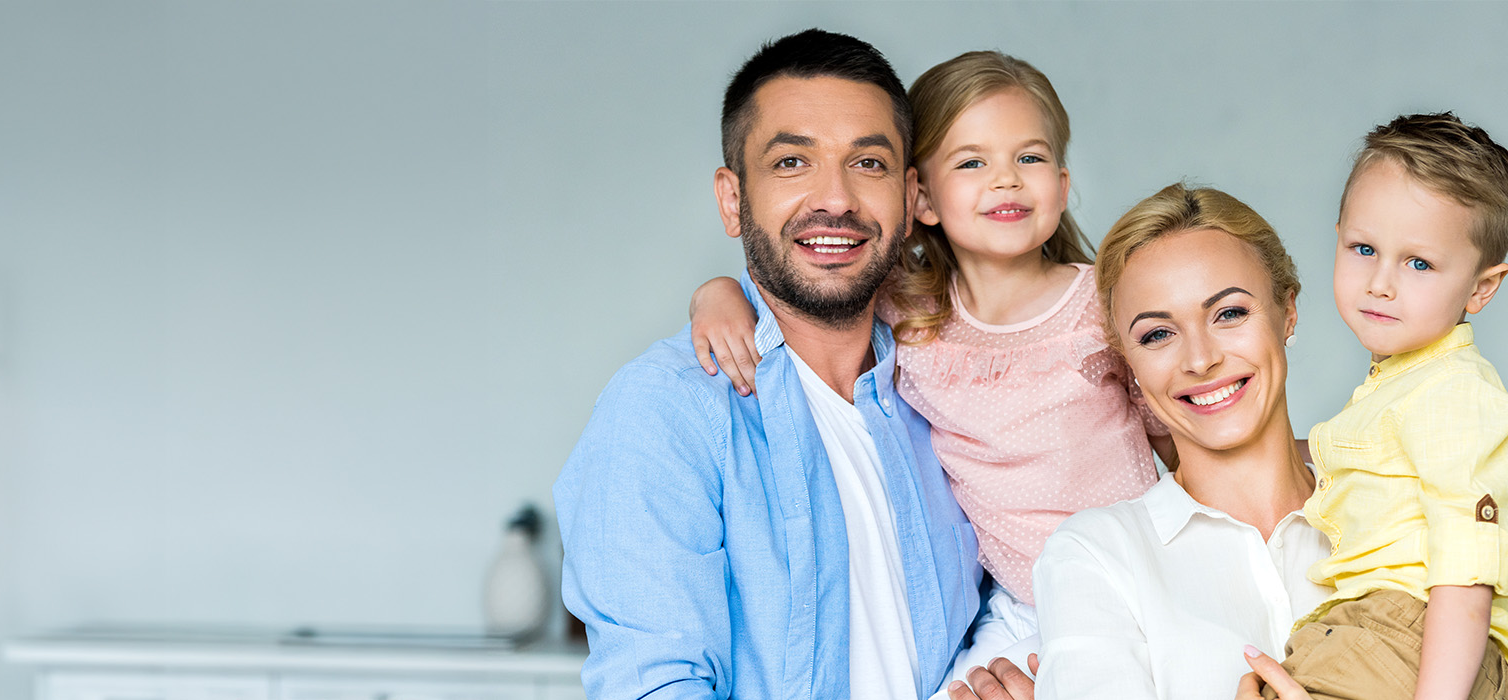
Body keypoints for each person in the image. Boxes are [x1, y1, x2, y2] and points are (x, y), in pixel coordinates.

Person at [686, 51, 1174, 691]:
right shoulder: (909, 312)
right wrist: (718, 292)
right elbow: (807, 284)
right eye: (973, 163)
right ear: (921, 198)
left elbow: (1180, 439)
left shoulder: (1105, 304)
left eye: (1028, 159)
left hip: (1138, 585)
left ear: (1061, 182)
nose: (1005, 181)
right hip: (1021, 608)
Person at [553, 29, 984, 700]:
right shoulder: (666, 409)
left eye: (867, 164)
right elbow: (655, 686)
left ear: (908, 199)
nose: (835, 198)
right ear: (733, 199)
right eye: (791, 163)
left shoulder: (949, 396)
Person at [1263, 113, 1508, 700]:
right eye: (1363, 248)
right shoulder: (1401, 389)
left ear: (1481, 288)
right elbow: (1336, 460)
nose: (1380, 281)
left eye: (1419, 263)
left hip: (1416, 632)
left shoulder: (1455, 394)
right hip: (1371, 631)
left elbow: (1465, 575)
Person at [1021, 183, 1334, 700]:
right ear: (1129, 363)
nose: (1200, 359)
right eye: (1157, 335)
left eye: (1230, 313)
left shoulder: (1392, 508)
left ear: (1289, 312)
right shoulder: (1096, 556)